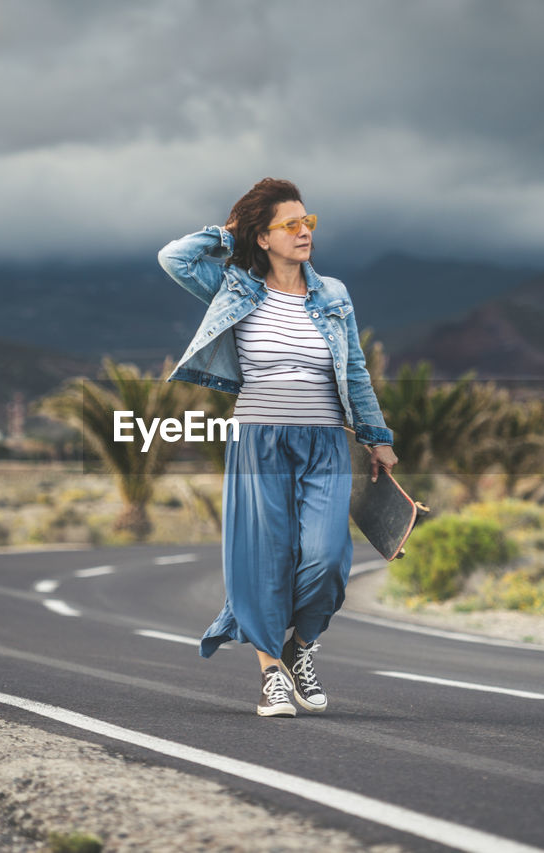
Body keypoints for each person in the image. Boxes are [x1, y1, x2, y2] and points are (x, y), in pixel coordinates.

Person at [157, 177, 398, 717]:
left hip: (326, 443)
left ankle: (301, 645)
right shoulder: (236, 286)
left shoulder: (332, 294)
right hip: (258, 441)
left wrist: (377, 437)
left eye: (307, 222)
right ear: (262, 238)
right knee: (263, 560)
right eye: (290, 225)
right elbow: (174, 258)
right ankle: (272, 676)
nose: (304, 232)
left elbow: (354, 370)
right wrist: (228, 234)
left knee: (329, 559)